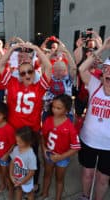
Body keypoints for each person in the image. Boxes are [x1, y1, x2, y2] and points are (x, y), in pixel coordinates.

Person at [0, 42, 51, 192]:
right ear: (19, 75)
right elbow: (1, 64)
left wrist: (36, 49)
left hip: (31, 131)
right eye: (23, 73)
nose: (27, 74)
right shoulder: (12, 83)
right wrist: (12, 49)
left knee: (33, 159)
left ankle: (32, 183)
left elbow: (48, 67)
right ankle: (17, 180)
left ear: (34, 71)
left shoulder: (40, 86)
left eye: (30, 71)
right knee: (15, 158)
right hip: (14, 130)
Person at [77, 37, 110, 200]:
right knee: (87, 173)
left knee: (103, 179)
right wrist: (102, 48)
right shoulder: (95, 84)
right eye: (107, 70)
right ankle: (84, 196)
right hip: (89, 140)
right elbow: (82, 68)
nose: (109, 74)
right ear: (102, 73)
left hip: (108, 146)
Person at [41, 94, 80, 200]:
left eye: (58, 108)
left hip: (62, 157)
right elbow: (43, 137)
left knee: (59, 179)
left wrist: (61, 157)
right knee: (47, 175)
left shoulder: (70, 127)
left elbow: (76, 147)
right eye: (53, 107)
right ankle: (44, 194)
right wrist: (44, 149)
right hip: (49, 155)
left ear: (66, 110)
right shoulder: (48, 120)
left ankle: (58, 198)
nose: (54, 110)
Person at [9, 126, 37, 200]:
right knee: (18, 190)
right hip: (17, 179)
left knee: (29, 193)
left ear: (28, 142)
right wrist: (11, 175)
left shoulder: (31, 156)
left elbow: (31, 172)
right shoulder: (16, 149)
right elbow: (12, 162)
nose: (17, 143)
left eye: (20, 142)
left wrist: (22, 182)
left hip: (27, 181)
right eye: (17, 141)